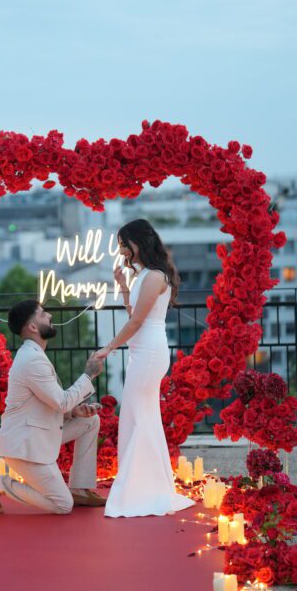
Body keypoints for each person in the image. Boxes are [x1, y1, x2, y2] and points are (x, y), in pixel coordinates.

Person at [94, 219, 194, 518]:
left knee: (137, 416)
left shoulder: (154, 277)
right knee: (141, 416)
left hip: (149, 350)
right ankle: (148, 486)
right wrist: (124, 288)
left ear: (140, 242)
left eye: (125, 243)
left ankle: (139, 490)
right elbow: (134, 314)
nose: (122, 249)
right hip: (142, 350)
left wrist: (109, 347)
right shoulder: (145, 276)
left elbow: (138, 322)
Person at [0, 300, 106, 515]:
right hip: (25, 445)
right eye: (42, 314)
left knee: (89, 421)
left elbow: (52, 401)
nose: (49, 316)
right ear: (32, 327)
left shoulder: (35, 355)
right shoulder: (32, 360)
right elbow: (61, 401)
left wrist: (74, 412)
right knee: (62, 505)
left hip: (39, 433)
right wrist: (88, 374)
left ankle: (79, 489)